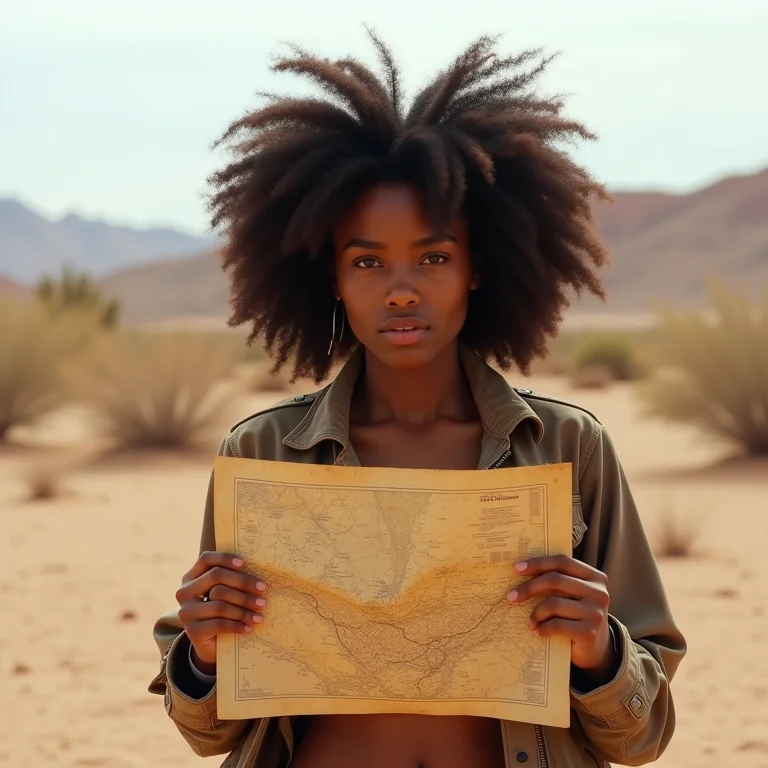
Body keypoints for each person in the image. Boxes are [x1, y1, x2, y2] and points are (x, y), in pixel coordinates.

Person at [149, 32, 686, 768]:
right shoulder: (262, 455)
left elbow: (643, 734)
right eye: (367, 260)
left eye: (433, 257)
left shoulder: (568, 446)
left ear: (476, 268)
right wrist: (204, 652)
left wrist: (600, 650)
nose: (401, 288)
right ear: (330, 278)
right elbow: (207, 732)